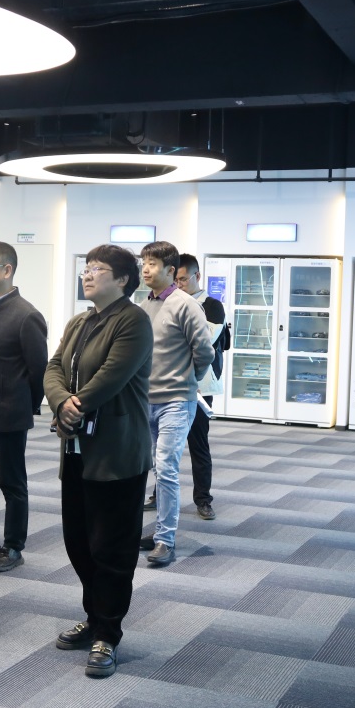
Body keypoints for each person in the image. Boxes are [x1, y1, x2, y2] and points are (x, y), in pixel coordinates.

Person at [45, 244, 153, 678]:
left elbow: (112, 374)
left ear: (123, 279)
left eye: (98, 269)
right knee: (79, 542)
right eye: (86, 268)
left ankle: (108, 632)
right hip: (77, 449)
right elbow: (54, 367)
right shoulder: (79, 321)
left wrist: (76, 405)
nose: (87, 275)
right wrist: (61, 402)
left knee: (112, 548)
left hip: (117, 453)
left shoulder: (133, 320)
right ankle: (93, 617)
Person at [138, 241, 214, 567]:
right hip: (145, 401)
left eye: (152, 263)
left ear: (171, 271)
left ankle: (165, 540)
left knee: (166, 469)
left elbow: (205, 352)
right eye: (144, 262)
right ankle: (157, 531)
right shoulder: (143, 305)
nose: (145, 269)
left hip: (177, 402)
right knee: (151, 468)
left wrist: (187, 380)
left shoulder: (186, 305)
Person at [0, 241, 48, 572]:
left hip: (10, 414)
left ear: (7, 270)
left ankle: (13, 547)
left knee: (12, 483)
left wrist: (26, 407)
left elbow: (38, 371)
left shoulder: (27, 315)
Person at [143, 252, 225, 520]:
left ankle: (203, 499)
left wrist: (193, 377)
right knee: (162, 452)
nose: (178, 284)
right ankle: (158, 494)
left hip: (199, 388)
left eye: (183, 279)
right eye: (175, 280)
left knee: (198, 444)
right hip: (163, 389)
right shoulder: (156, 303)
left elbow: (204, 344)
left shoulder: (210, 305)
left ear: (196, 276)